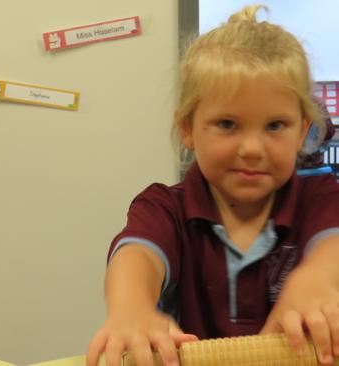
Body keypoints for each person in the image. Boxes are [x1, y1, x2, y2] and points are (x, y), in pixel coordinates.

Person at [87, 5, 339, 366]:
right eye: (227, 124)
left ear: (302, 131)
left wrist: (317, 279)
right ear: (188, 128)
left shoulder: (319, 199)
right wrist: (131, 307)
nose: (252, 149)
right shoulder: (164, 207)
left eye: (274, 126)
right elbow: (136, 256)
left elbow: (333, 244)